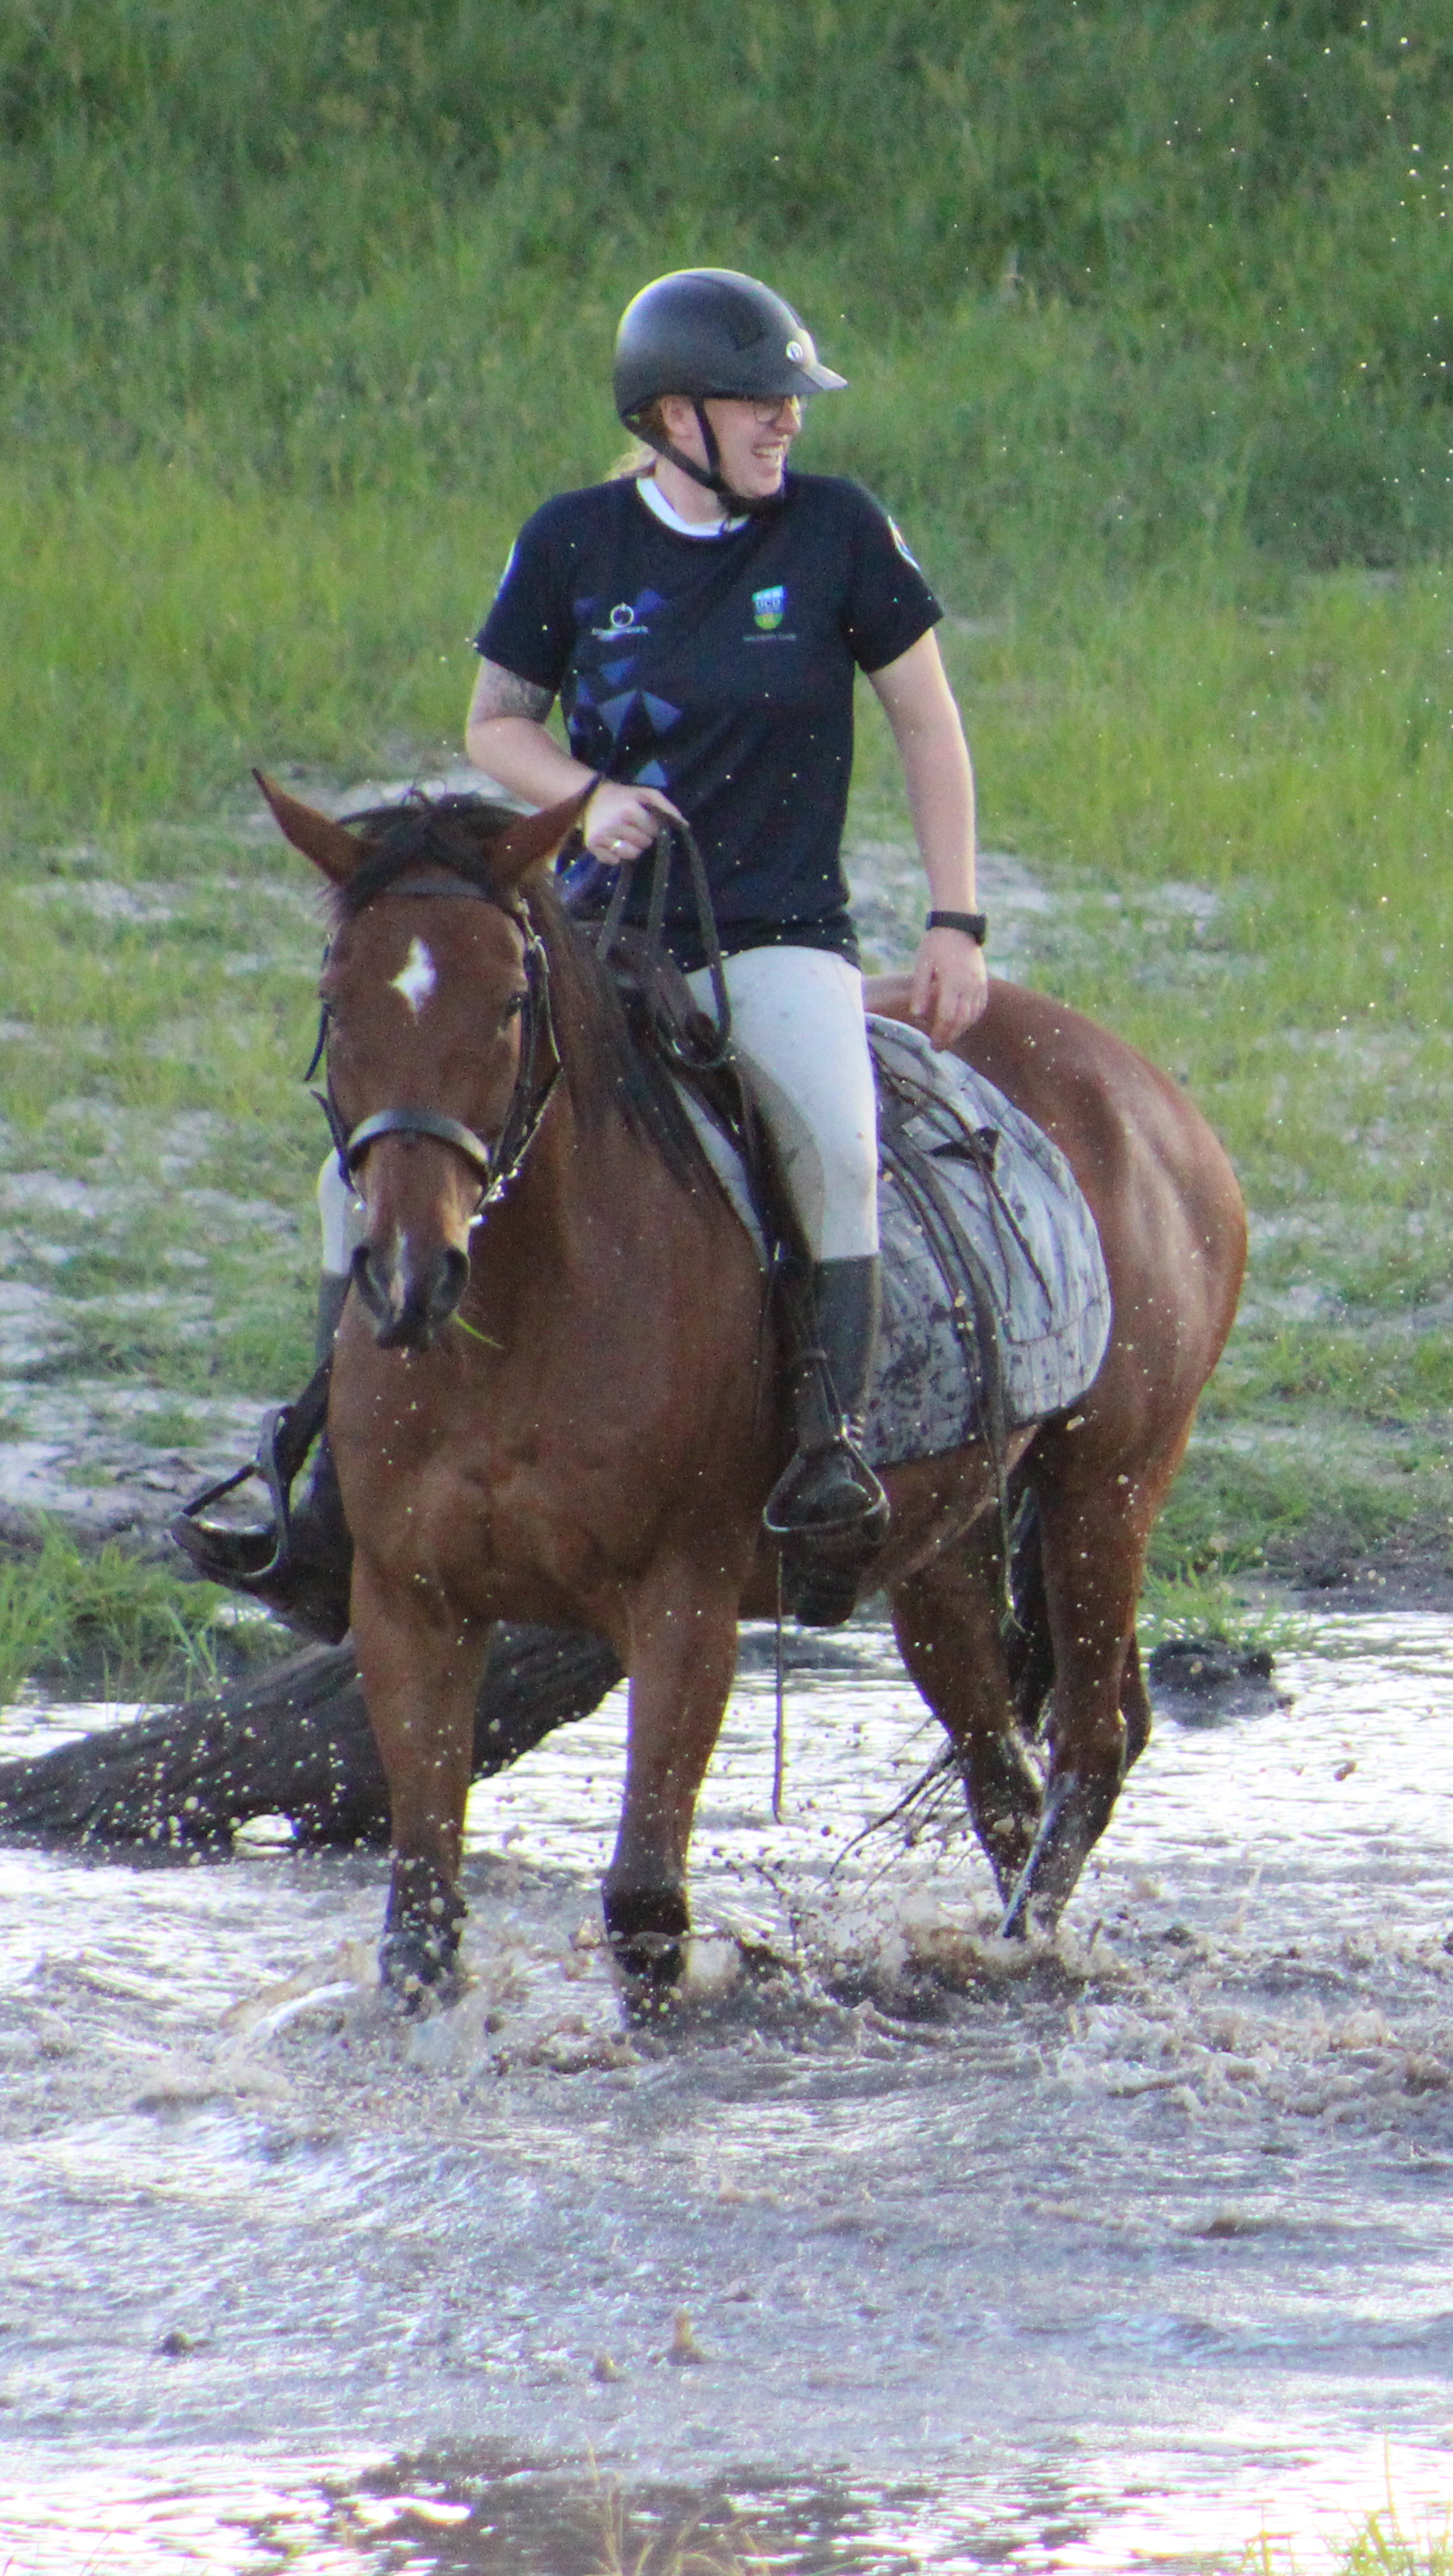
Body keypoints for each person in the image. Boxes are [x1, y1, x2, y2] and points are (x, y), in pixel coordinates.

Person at [179, 267, 992, 1632]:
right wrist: (586, 794)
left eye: (794, 401)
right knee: (358, 1170)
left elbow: (928, 724)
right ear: (673, 414)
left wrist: (954, 919)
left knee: (838, 1156)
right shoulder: (574, 542)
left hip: (776, 934)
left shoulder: (843, 533)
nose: (789, 421)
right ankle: (321, 1488)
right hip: (595, 936)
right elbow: (494, 722)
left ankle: (825, 1458)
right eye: (762, 400)